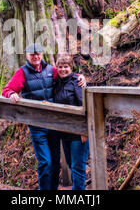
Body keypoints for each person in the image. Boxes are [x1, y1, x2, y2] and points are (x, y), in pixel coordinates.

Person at [1, 43, 86, 190]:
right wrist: (12, 93)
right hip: (36, 124)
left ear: (42, 54)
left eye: (38, 53)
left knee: (54, 161)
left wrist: (81, 77)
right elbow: (7, 89)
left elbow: (66, 74)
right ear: (27, 56)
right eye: (32, 54)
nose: (35, 56)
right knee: (45, 162)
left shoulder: (50, 70)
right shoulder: (22, 72)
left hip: (54, 125)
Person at [54, 53, 89, 190]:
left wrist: (85, 129)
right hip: (65, 132)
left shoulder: (77, 82)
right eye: (60, 67)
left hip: (78, 132)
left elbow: (85, 107)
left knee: (78, 167)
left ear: (71, 67)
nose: (63, 69)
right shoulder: (57, 83)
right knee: (70, 164)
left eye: (66, 67)